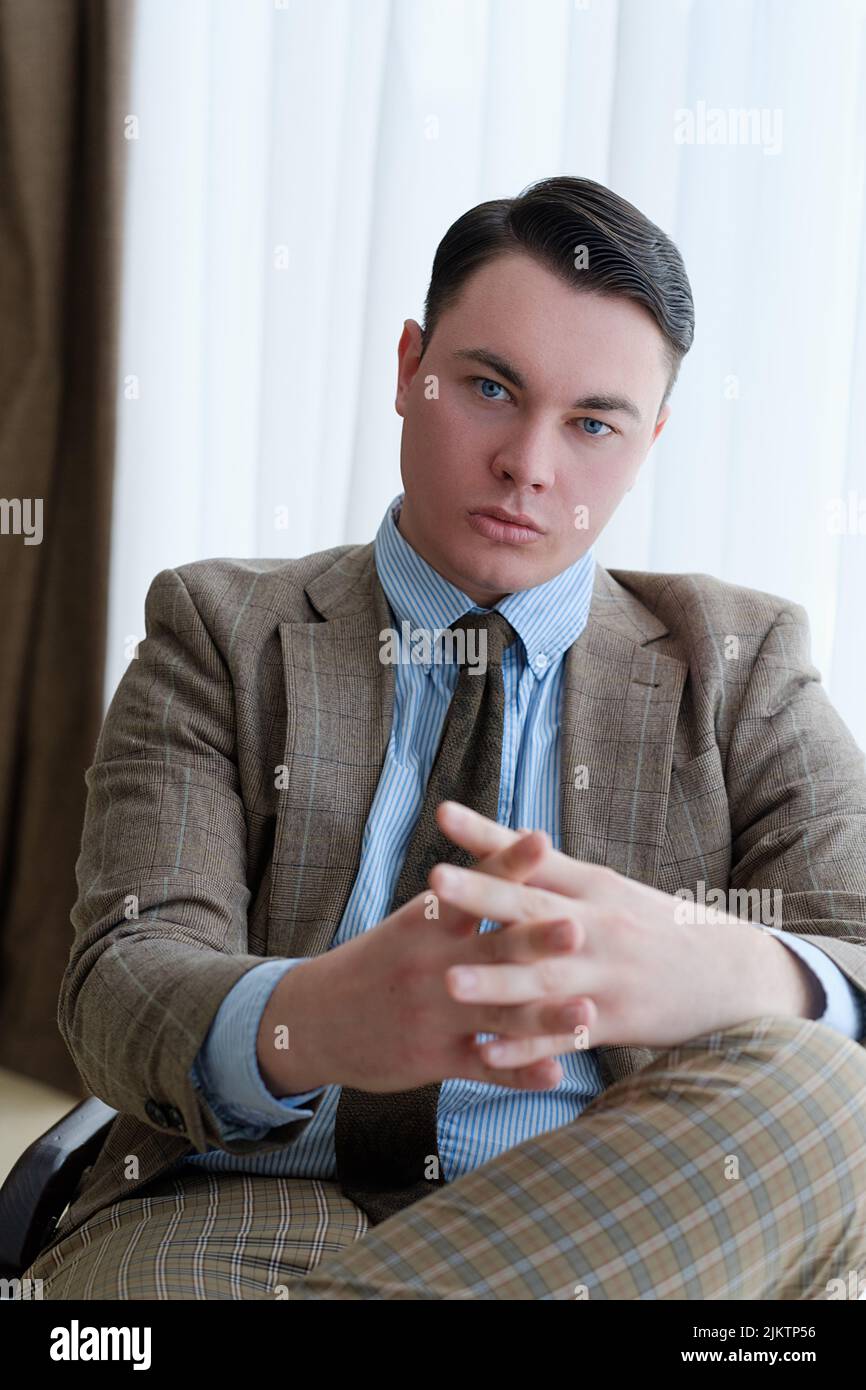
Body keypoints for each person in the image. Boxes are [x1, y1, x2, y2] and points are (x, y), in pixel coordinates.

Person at [23, 176, 866, 1300]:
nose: (530, 462)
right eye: (488, 386)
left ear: (648, 437)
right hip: (232, 1209)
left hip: (595, 1218)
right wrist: (313, 1020)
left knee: (828, 1097)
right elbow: (118, 984)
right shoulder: (218, 631)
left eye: (592, 423)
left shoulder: (741, 661)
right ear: (409, 366)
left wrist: (713, 963)